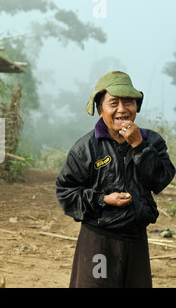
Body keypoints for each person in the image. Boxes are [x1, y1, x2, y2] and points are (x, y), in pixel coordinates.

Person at [56, 71, 175, 288]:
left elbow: (160, 180)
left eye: (128, 102)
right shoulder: (85, 149)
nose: (122, 109)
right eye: (113, 103)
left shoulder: (152, 142)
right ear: (100, 109)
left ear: (136, 107)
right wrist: (103, 200)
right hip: (99, 243)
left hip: (136, 241)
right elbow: (66, 193)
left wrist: (139, 145)